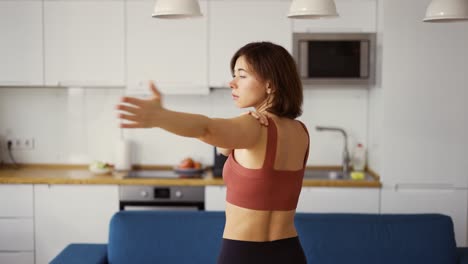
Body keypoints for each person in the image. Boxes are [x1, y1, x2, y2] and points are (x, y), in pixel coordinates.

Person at [116, 41, 309, 264]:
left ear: (270, 85)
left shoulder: (255, 127)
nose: (232, 83)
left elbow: (206, 128)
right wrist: (245, 121)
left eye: (242, 75)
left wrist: (160, 117)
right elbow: (225, 147)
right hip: (289, 252)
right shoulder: (299, 131)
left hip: (244, 254)